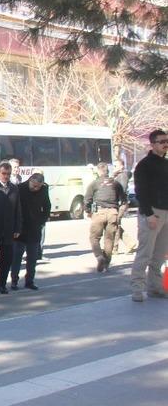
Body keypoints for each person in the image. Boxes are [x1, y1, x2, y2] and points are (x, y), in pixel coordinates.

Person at [130, 129, 168, 301]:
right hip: (152, 212)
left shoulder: (166, 163)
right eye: (161, 141)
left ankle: (155, 286)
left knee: (159, 254)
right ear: (152, 144)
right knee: (145, 252)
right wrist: (149, 214)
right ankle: (137, 288)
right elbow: (141, 191)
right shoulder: (144, 165)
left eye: (166, 141)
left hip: (166, 212)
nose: (165, 144)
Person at [10, 173, 50, 290]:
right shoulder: (19, 188)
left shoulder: (43, 190)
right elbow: (14, 207)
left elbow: (47, 206)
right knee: (17, 256)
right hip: (20, 228)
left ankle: (29, 280)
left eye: (38, 186)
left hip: (34, 228)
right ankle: (14, 280)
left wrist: (42, 221)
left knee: (32, 258)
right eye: (34, 185)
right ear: (30, 180)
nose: (35, 188)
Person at [84, 162, 127, 273]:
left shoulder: (94, 184)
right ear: (108, 171)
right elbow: (123, 199)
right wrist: (120, 212)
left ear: (98, 171)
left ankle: (99, 257)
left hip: (99, 212)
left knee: (94, 237)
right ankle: (107, 263)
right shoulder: (116, 184)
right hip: (113, 213)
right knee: (109, 239)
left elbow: (87, 200)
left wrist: (88, 212)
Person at [0, 162, 22, 294]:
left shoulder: (14, 189)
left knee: (6, 259)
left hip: (8, 229)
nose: (6, 176)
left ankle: (2, 284)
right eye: (4, 173)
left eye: (8, 174)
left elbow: (18, 209)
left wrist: (18, 228)